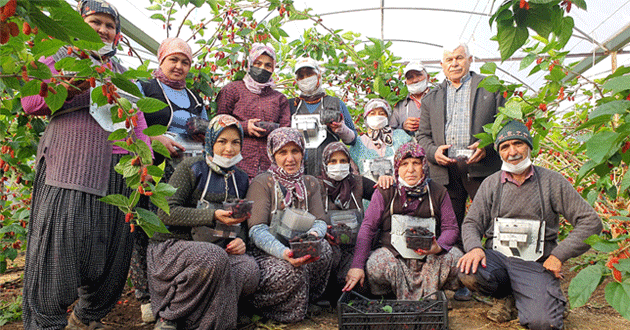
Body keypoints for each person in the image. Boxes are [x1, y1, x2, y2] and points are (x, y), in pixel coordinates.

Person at [20, 1, 151, 329]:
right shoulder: (60, 55)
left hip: (118, 175)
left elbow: (137, 121)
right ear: (79, 24)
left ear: (117, 35)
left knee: (111, 261)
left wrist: (143, 165)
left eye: (110, 25)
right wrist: (72, 85)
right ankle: (46, 323)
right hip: (71, 168)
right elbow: (31, 102)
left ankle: (83, 319)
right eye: (95, 22)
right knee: (60, 254)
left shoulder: (120, 72)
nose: (103, 30)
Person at [457, 120, 602, 330]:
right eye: (505, 147)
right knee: (469, 272)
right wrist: (475, 248)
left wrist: (558, 255)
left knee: (544, 323)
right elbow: (472, 222)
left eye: (518, 144)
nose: (512, 151)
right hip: (498, 258)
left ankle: (548, 298)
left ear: (529, 146)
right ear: (499, 153)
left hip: (535, 262)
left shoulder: (553, 181)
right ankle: (506, 297)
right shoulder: (491, 183)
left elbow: (591, 222)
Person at [149, 115, 259, 329]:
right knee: (213, 257)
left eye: (236, 142)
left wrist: (241, 241)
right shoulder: (191, 168)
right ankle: (169, 317)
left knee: (248, 268)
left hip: (217, 247)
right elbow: (165, 212)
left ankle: (205, 320)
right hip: (172, 247)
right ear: (210, 141)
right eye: (222, 141)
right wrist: (212, 215)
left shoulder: (242, 178)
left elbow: (242, 221)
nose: (229, 148)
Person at [132, 36, 208, 323]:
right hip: (151, 167)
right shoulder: (145, 88)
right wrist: (154, 138)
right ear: (161, 59)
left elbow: (207, 130)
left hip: (184, 170)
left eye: (185, 62)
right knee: (144, 227)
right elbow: (129, 120)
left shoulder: (194, 97)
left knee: (172, 227)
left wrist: (202, 129)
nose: (178, 66)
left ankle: (170, 292)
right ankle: (145, 297)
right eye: (173, 59)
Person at [343, 142, 461, 300]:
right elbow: (368, 228)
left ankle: (430, 294)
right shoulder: (386, 190)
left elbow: (451, 228)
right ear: (397, 167)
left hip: (429, 256)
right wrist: (357, 265)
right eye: (404, 164)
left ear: (424, 165)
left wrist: (437, 247)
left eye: (416, 163)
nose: (410, 170)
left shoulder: (438, 192)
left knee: (458, 259)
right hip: (394, 255)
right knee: (375, 264)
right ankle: (395, 293)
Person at [246, 127, 333, 323]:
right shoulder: (263, 182)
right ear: (272, 155)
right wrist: (284, 252)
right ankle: (278, 310)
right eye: (282, 152)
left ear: (303, 152)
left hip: (298, 246)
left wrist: (311, 237)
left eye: (295, 151)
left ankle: (308, 300)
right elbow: (256, 230)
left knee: (324, 249)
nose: (290, 158)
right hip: (267, 253)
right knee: (290, 270)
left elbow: (320, 221)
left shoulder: (310, 183)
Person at [216, 43, 291, 179]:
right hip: (236, 164)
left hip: (270, 167)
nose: (262, 68)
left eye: (268, 65)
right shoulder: (232, 90)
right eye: (258, 63)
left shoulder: (279, 98)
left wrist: (273, 129)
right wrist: (243, 126)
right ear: (250, 64)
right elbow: (218, 123)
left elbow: (286, 131)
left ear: (273, 68)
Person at [318, 142, 376, 301]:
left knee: (359, 288)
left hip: (355, 248)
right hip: (330, 250)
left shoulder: (358, 183)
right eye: (333, 161)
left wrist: (385, 181)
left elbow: (383, 194)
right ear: (325, 163)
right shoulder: (316, 185)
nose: (339, 165)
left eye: (343, 161)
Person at [288, 57, 357, 176]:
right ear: (296, 80)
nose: (305, 79)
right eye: (301, 76)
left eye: (309, 74)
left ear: (319, 75)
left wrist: (341, 129)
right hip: (297, 171)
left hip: (328, 172)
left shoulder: (336, 103)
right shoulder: (291, 105)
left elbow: (353, 139)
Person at [348, 98, 412, 180]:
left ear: (388, 117)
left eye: (381, 114)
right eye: (372, 113)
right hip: (369, 191)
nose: (377, 116)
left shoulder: (400, 136)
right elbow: (354, 174)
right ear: (366, 117)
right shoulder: (357, 143)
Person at [390, 61, 430, 134]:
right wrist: (403, 127)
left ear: (428, 77)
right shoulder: (400, 105)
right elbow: (391, 131)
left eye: (418, 75)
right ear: (406, 82)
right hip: (409, 145)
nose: (415, 80)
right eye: (410, 77)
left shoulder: (438, 98)